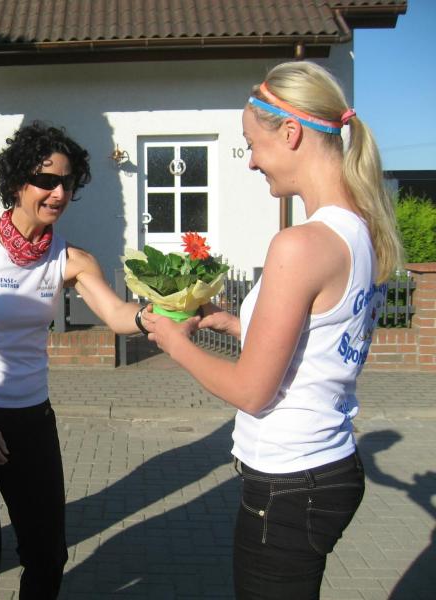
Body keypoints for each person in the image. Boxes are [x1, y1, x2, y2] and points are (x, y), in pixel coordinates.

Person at [142, 61, 403, 599]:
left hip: (290, 482)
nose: (252, 161)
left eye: (251, 144)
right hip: (325, 466)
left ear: (290, 132)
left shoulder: (300, 244)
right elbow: (323, 338)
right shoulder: (361, 231)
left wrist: (173, 341)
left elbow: (252, 391)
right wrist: (240, 324)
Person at [0, 122, 144, 600]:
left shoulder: (71, 259)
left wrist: (165, 312)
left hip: (32, 420)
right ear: (17, 182)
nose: (58, 193)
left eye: (67, 182)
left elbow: (117, 315)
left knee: (47, 554)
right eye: (46, 180)